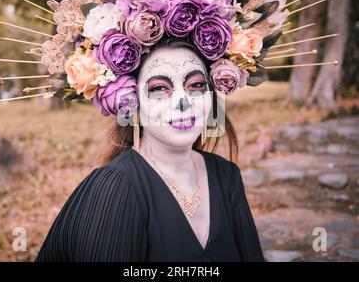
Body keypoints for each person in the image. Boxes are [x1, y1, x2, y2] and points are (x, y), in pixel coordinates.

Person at [35, 38, 264, 262]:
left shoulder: (226, 175)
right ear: (133, 101)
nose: (182, 103)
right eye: (159, 88)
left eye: (195, 85)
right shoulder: (116, 188)